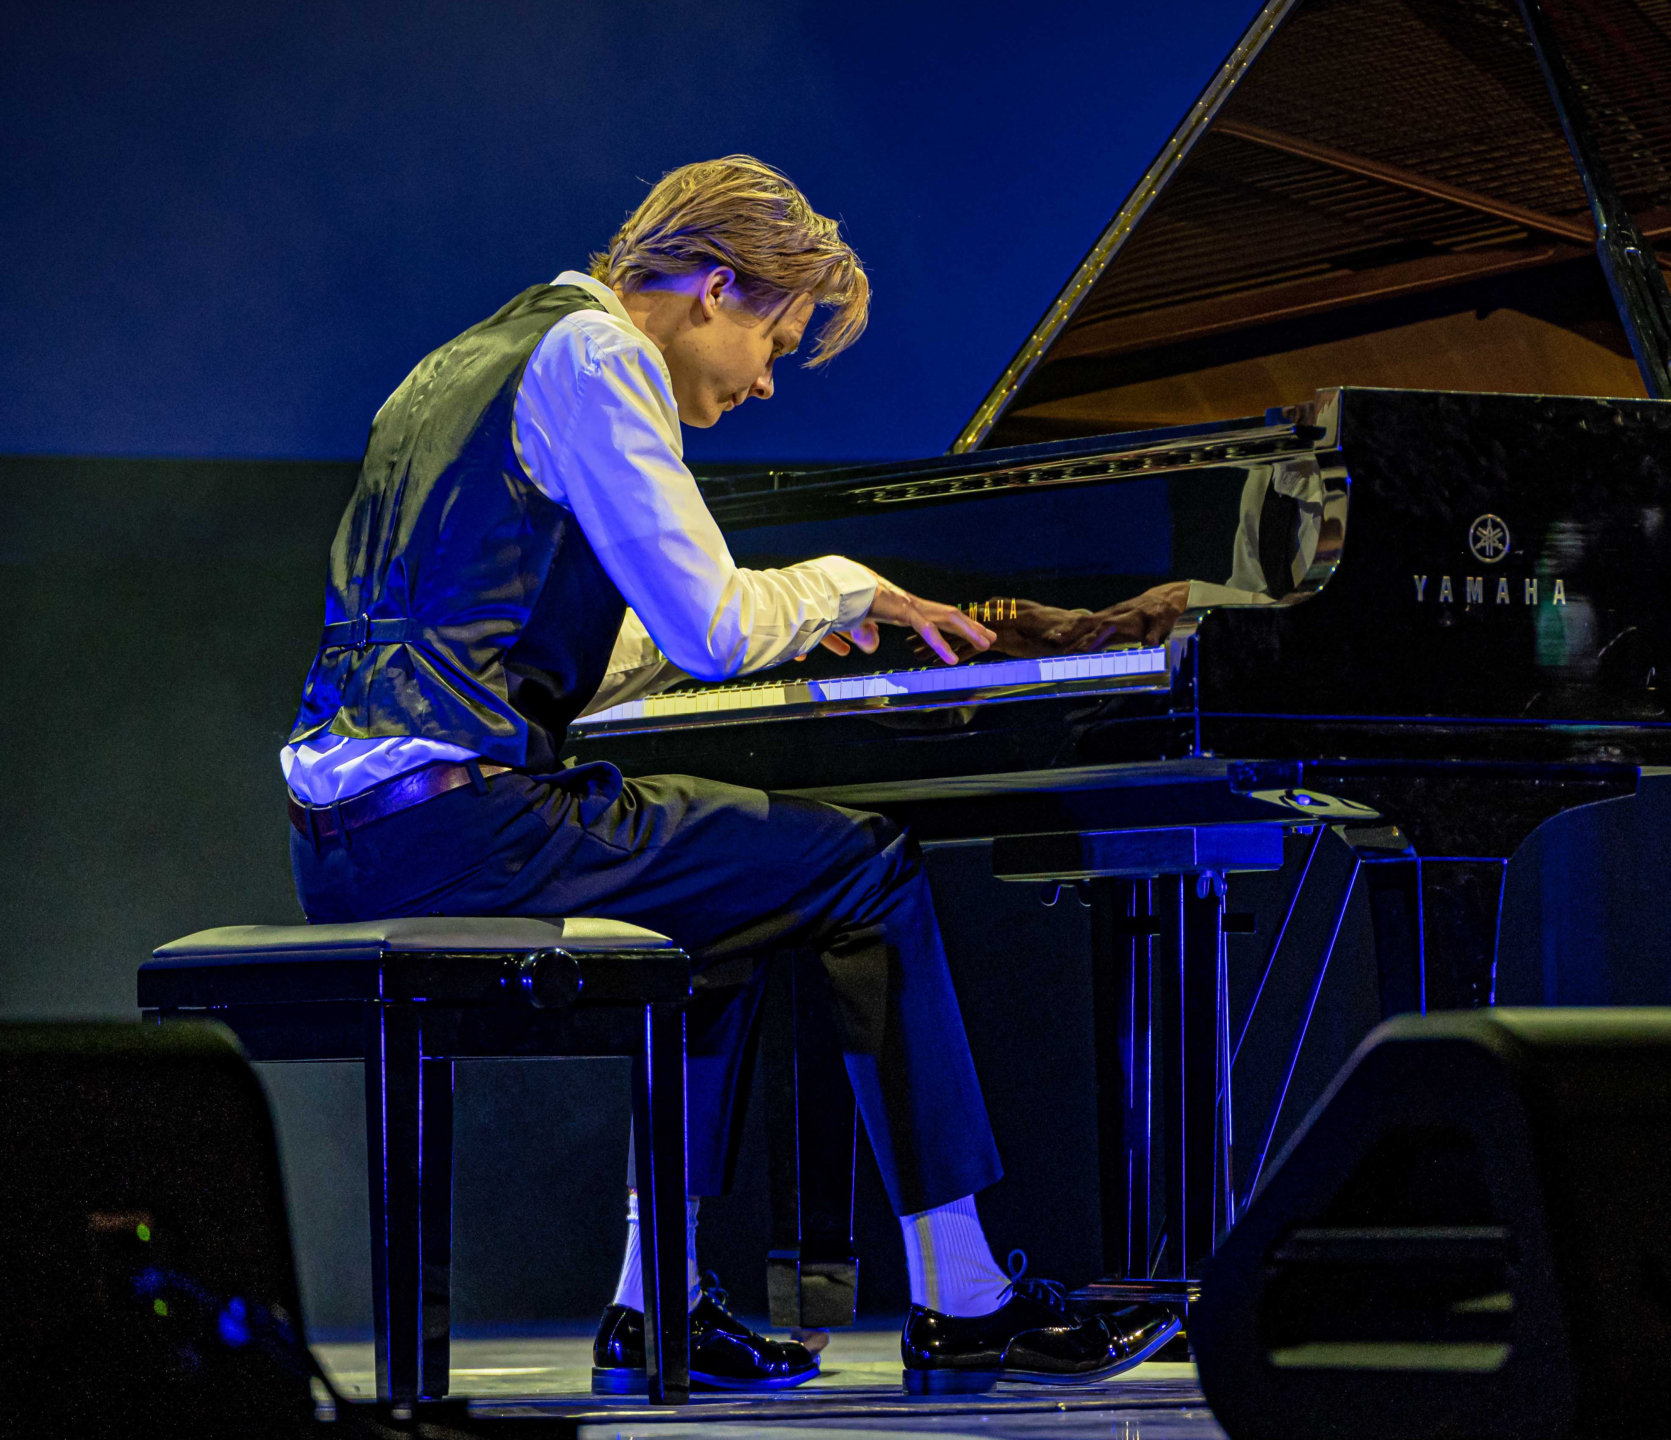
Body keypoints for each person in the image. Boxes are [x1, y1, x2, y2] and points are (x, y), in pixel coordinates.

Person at [280, 155, 1178, 1396]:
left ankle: (659, 1310)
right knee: (865, 864)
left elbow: (520, 647)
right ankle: (964, 1298)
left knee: (738, 892)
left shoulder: (456, 365)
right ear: (713, 289)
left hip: (347, 833)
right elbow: (709, 628)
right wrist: (841, 586)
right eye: (774, 339)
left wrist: (789, 633)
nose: (763, 380)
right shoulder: (603, 362)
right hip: (468, 824)